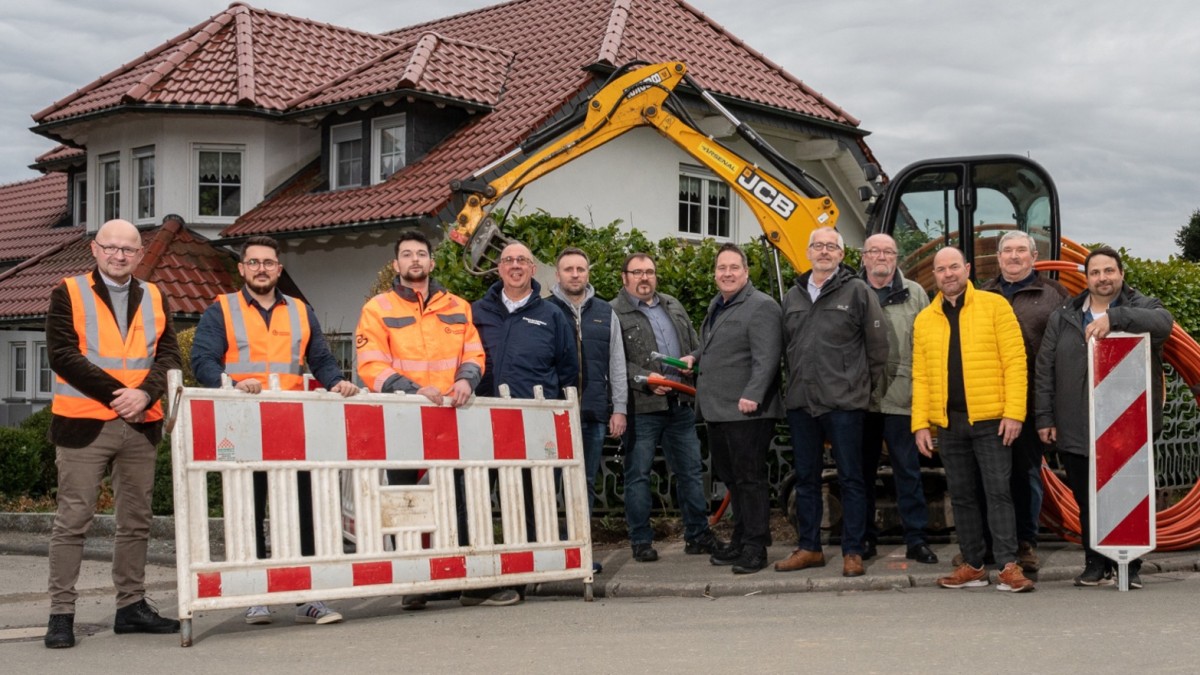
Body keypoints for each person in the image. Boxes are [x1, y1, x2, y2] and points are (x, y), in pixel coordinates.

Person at [191, 235, 359, 625]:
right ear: (242, 268)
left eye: (268, 262)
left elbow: (320, 359)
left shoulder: (301, 310)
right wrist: (229, 384)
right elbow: (203, 360)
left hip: (291, 424)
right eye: (254, 262)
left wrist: (337, 382)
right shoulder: (223, 310)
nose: (261, 269)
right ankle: (255, 593)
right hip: (243, 423)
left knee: (302, 508)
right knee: (249, 507)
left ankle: (307, 595)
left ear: (279, 269)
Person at [44, 219, 182, 649]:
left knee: (136, 521)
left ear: (141, 255)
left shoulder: (156, 295)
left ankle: (130, 607)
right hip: (84, 422)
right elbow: (63, 354)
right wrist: (118, 394)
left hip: (141, 424)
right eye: (111, 247)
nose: (119, 255)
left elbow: (170, 353)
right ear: (95, 249)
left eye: (128, 249)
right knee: (73, 521)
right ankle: (61, 614)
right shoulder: (68, 291)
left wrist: (143, 395)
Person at [355, 230, 493, 608]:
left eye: (421, 254)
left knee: (461, 496)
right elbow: (370, 366)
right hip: (402, 417)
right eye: (407, 254)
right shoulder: (377, 309)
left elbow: (473, 352)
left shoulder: (458, 305)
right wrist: (412, 390)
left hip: (452, 416)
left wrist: (466, 379)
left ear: (432, 263)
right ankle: (413, 580)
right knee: (407, 500)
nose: (415, 260)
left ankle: (466, 576)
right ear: (396, 265)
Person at [1035, 246, 1172, 589]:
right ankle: (1095, 563)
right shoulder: (1064, 314)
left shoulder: (1142, 306)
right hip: (1076, 422)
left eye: (1109, 271)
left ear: (1121, 273)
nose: (1103, 278)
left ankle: (1130, 564)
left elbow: (1163, 323)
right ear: (1087, 278)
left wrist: (1116, 318)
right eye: (1095, 272)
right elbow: (1045, 370)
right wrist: (1044, 417)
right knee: (1086, 498)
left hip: (1129, 427)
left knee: (1128, 494)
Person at [911, 247, 1033, 592]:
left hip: (992, 421)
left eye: (953, 267)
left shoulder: (995, 307)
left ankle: (1009, 565)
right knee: (962, 495)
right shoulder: (925, 319)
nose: (948, 274)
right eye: (940, 269)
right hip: (949, 424)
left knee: (998, 492)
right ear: (934, 275)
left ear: (966, 269)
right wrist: (921, 422)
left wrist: (1014, 413)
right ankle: (974, 565)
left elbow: (1015, 362)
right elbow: (920, 376)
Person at [775, 227, 887, 578]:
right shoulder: (792, 296)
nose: (824, 251)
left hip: (844, 405)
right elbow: (786, 350)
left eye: (831, 246)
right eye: (817, 246)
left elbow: (878, 350)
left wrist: (859, 392)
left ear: (841, 255)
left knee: (852, 478)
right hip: (802, 404)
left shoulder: (857, 292)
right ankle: (809, 547)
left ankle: (853, 551)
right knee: (806, 478)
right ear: (807, 252)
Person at [472, 241, 578, 603]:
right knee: (478, 497)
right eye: (508, 260)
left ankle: (525, 571)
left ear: (534, 269)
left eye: (522, 260)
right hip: (481, 420)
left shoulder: (552, 315)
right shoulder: (476, 312)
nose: (515, 266)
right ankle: (478, 573)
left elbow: (569, 370)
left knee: (532, 497)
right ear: (498, 269)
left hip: (534, 421)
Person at [611, 252, 720, 562]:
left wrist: (693, 359)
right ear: (624, 277)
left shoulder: (672, 304)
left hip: (680, 403)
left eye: (649, 272)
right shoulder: (613, 313)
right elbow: (616, 362)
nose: (644, 278)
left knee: (690, 473)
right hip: (643, 406)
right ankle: (641, 542)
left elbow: (696, 344)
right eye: (637, 272)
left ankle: (697, 536)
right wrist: (645, 379)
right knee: (638, 476)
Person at [685, 243, 783, 574]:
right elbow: (718, 345)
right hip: (718, 410)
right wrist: (694, 357)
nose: (727, 273)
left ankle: (756, 547)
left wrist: (754, 393)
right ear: (715, 274)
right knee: (733, 480)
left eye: (734, 268)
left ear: (746, 272)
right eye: (721, 268)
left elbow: (768, 356)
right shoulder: (720, 305)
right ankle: (741, 539)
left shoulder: (762, 307)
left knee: (749, 479)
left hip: (747, 411)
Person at [979, 230, 1069, 572]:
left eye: (1021, 250)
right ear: (998, 258)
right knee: (985, 475)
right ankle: (989, 544)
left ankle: (1025, 543)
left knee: (1025, 473)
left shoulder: (1053, 294)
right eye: (1007, 251)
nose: (1013, 257)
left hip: (1031, 402)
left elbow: (1062, 355)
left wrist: (1051, 409)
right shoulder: (983, 293)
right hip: (988, 401)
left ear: (1033, 257)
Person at [546, 247, 628, 571]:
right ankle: (551, 552)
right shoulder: (545, 310)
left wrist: (618, 408)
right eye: (569, 269)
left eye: (580, 268)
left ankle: (579, 553)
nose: (575, 274)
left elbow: (617, 364)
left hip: (593, 414)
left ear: (588, 273)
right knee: (549, 484)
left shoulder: (606, 312)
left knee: (584, 486)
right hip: (552, 417)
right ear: (558, 274)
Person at [859, 234, 937, 565]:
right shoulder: (852, 291)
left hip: (902, 398)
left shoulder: (916, 294)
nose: (881, 256)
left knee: (908, 471)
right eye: (874, 251)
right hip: (860, 398)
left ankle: (916, 539)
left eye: (888, 251)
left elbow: (929, 345)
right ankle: (862, 538)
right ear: (863, 257)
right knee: (860, 473)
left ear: (896, 257)